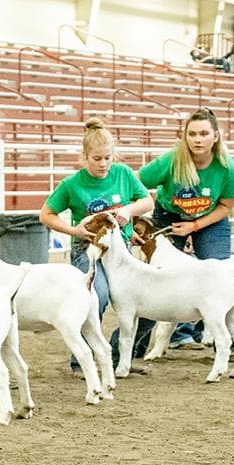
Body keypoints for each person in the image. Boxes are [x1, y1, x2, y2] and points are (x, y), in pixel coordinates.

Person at [39, 118, 154, 373]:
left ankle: (120, 355)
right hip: (89, 250)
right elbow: (46, 214)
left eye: (107, 158)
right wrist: (74, 230)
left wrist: (128, 210)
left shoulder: (123, 173)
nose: (103, 164)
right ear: (84, 157)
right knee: (96, 296)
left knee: (151, 298)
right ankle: (82, 359)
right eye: (97, 158)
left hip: (121, 249)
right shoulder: (71, 184)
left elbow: (147, 201)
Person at [137, 108, 234, 350]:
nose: (197, 139)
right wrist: (139, 211)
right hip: (168, 216)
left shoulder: (226, 167)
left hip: (210, 219)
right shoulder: (170, 161)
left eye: (204, 133)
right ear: (184, 136)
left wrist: (194, 226)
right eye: (192, 134)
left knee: (216, 274)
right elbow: (136, 181)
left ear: (216, 136)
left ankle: (221, 340)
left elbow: (226, 205)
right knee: (158, 278)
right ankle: (136, 347)